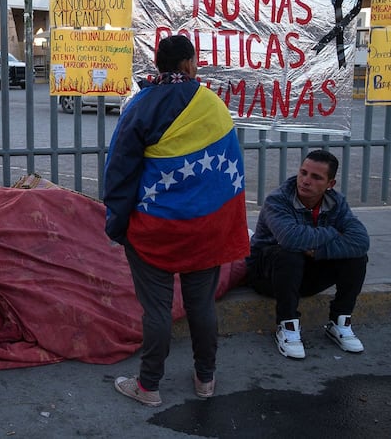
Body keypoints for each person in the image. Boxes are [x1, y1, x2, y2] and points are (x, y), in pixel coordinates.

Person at [103, 34, 249, 407]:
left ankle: (148, 386)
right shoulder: (213, 105)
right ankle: (205, 379)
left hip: (157, 233)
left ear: (158, 64)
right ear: (189, 64)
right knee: (202, 306)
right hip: (207, 230)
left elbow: (119, 174)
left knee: (157, 311)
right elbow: (228, 169)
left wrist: (117, 226)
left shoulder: (140, 107)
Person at [247, 150, 369, 359]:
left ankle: (340, 322)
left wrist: (319, 250)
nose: (305, 181)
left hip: (307, 275)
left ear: (330, 184)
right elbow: (292, 239)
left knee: (357, 258)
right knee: (288, 253)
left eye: (316, 177)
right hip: (268, 276)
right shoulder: (278, 200)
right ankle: (287, 326)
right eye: (303, 173)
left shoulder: (336, 203)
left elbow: (360, 241)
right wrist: (333, 232)